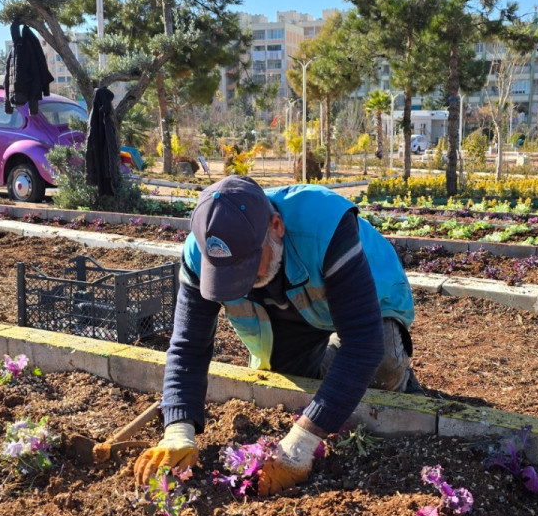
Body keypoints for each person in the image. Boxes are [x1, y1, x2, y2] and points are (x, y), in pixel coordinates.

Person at [133, 175, 420, 495]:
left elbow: (363, 341)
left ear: (276, 226)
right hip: (288, 316)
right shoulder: (203, 251)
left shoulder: (323, 224)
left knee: (380, 362)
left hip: (368, 303)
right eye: (225, 273)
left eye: (247, 265)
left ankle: (399, 387)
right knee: (292, 382)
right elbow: (188, 345)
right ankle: (330, 372)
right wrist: (178, 429)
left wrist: (303, 441)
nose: (239, 281)